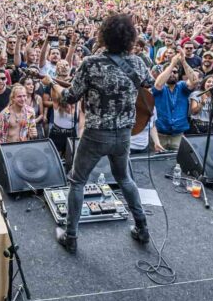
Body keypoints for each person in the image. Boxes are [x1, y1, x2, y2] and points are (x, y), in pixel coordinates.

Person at [42, 13, 151, 254]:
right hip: (124, 133)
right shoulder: (138, 62)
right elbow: (149, 84)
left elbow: (70, 97)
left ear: (103, 35)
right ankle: (142, 228)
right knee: (125, 179)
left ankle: (71, 236)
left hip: (95, 133)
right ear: (129, 38)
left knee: (77, 181)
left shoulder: (91, 63)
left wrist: (53, 84)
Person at [152, 52, 199, 150]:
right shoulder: (159, 87)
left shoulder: (182, 86)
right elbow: (158, 85)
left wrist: (183, 61)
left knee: (178, 163)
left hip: (178, 135)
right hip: (159, 135)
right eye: (170, 72)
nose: (172, 74)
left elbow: (194, 81)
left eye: (175, 72)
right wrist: (172, 64)